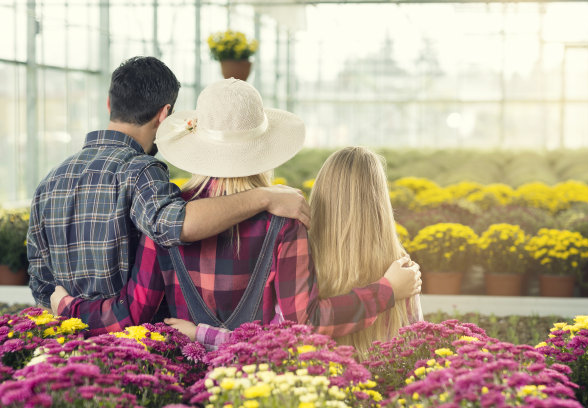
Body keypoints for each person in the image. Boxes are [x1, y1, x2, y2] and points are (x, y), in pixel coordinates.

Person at [50, 78, 421, 344]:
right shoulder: (284, 221)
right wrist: (386, 290)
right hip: (251, 388)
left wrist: (67, 306)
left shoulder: (164, 217)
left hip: (180, 384)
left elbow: (133, 314)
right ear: (264, 147)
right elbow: (303, 325)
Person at [28, 57, 309, 309]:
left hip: (63, 349)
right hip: (136, 348)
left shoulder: (48, 182)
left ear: (109, 104)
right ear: (164, 114)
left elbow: (41, 285)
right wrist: (265, 197)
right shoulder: (140, 171)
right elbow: (177, 226)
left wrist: (69, 310)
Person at [308, 146, 423, 356]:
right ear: (379, 201)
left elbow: (294, 327)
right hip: (387, 383)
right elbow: (416, 344)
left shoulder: (302, 259)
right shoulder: (400, 268)